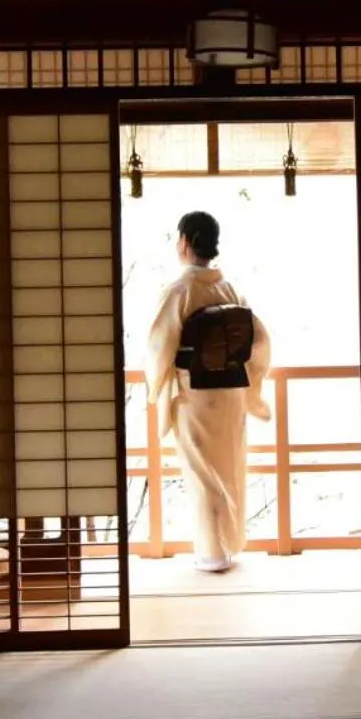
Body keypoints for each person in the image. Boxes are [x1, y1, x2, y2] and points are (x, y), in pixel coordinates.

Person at [146, 211, 273, 573]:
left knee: (202, 473)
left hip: (195, 392)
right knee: (229, 466)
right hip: (231, 390)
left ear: (184, 242)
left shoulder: (180, 290)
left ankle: (212, 552)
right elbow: (258, 337)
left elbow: (160, 346)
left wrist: (156, 387)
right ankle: (228, 545)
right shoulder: (229, 288)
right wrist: (252, 378)